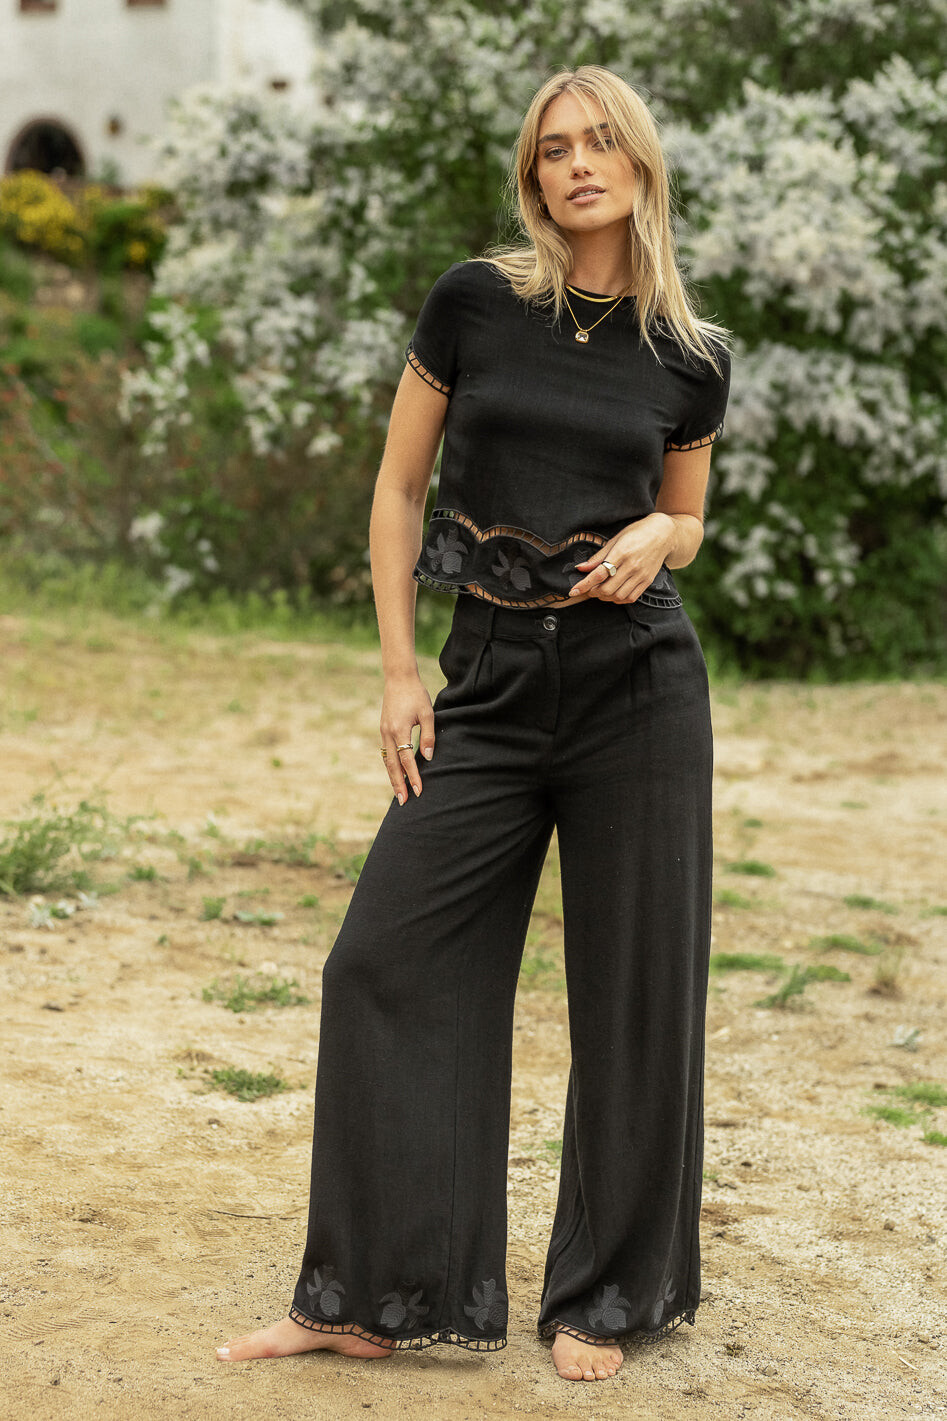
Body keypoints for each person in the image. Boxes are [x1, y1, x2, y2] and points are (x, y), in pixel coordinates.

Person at [216, 63, 731, 1384]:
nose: (578, 164)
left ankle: (606, 1295)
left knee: (633, 996)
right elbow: (398, 491)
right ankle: (370, 1292)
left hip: (637, 688)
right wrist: (401, 672)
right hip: (486, 682)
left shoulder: (690, 354)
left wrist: (660, 535)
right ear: (532, 174)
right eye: (555, 148)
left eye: (601, 141)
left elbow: (687, 518)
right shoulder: (474, 304)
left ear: (641, 164)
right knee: (379, 961)